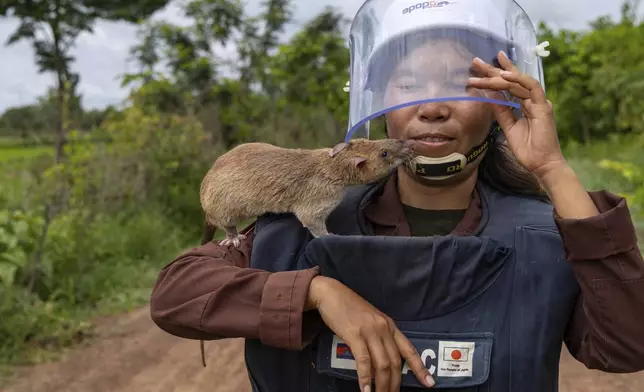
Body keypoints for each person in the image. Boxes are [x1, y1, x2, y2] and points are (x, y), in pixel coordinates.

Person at [149, 0, 644, 391]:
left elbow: (627, 346)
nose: (430, 106)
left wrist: (553, 170)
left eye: (459, 82)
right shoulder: (299, 220)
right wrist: (315, 292)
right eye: (408, 84)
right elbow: (175, 296)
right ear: (381, 102)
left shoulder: (543, 235)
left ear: (499, 100)